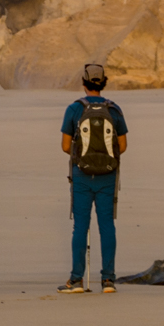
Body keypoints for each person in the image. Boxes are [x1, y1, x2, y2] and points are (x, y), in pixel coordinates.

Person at [59, 62, 128, 294]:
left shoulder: (74, 109)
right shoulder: (114, 109)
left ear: (84, 82)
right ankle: (108, 280)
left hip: (81, 174)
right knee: (107, 225)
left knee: (80, 226)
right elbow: (123, 146)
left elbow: (65, 146)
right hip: (108, 175)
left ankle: (76, 280)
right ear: (104, 82)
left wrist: (83, 157)